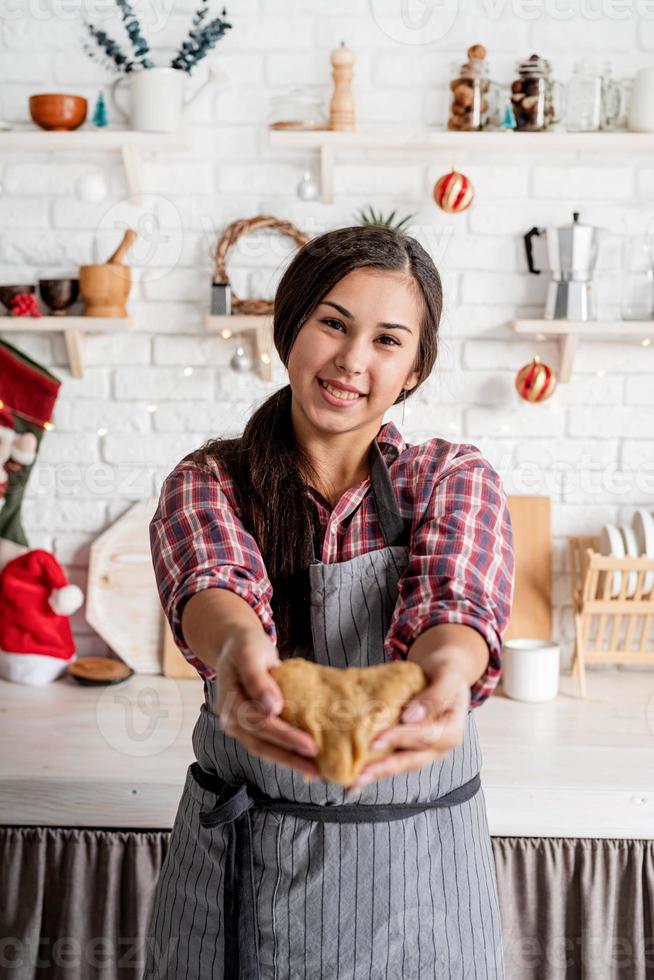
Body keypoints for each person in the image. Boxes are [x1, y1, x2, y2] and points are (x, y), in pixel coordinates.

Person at [143, 225, 515, 980]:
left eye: (387, 340)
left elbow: (456, 605)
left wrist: (445, 677)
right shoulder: (209, 480)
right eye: (333, 323)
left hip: (422, 894)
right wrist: (240, 654)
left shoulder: (450, 478)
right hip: (242, 887)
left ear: (413, 370)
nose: (351, 361)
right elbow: (213, 587)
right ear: (291, 328)